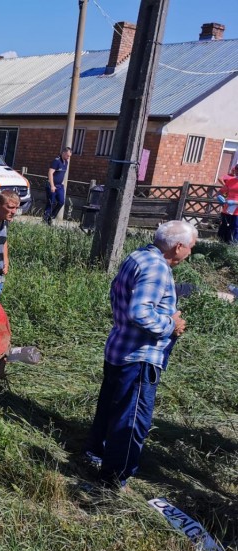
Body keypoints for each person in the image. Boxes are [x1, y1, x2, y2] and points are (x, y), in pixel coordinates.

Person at [85, 220, 198, 489]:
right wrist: (172, 325)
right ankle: (115, 478)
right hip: (139, 356)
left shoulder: (139, 256)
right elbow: (140, 312)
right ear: (179, 247)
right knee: (133, 419)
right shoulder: (158, 268)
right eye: (191, 247)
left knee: (111, 409)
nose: (190, 253)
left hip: (120, 347)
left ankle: (97, 454)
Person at [44, 147, 71, 224]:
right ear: (63, 153)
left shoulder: (66, 162)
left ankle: (51, 216)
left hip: (59, 186)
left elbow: (61, 174)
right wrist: (52, 185)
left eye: (69, 156)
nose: (68, 157)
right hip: (52, 185)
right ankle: (46, 218)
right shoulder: (56, 161)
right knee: (51, 202)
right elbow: (50, 173)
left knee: (61, 201)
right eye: (67, 155)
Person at [216, 163, 238, 244]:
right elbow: (221, 192)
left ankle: (231, 251)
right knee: (223, 230)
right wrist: (219, 196)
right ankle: (220, 248)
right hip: (226, 210)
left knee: (234, 231)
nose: (237, 171)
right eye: (236, 169)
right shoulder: (231, 181)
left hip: (237, 213)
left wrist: (234, 202)